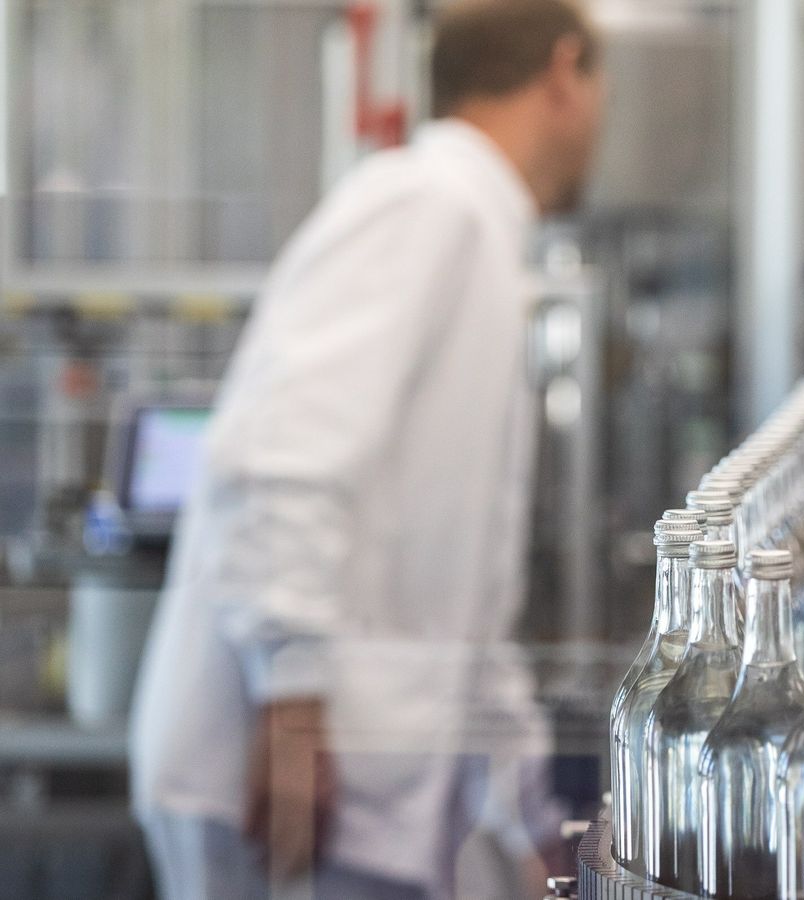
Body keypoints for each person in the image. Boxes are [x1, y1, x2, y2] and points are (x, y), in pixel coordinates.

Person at [129, 1, 604, 897]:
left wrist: (534, 817)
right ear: (564, 73)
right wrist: (292, 692)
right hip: (281, 788)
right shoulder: (424, 203)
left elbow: (467, 603)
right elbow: (283, 454)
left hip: (362, 790)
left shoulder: (482, 231)